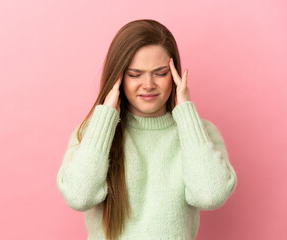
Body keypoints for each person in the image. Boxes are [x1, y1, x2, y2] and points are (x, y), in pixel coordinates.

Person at [56, 19, 237, 240]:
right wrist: (105, 116)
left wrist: (186, 114)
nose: (149, 84)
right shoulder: (93, 133)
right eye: (135, 74)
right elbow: (78, 197)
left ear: (175, 74)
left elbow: (210, 196)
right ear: (118, 77)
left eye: (160, 73)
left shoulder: (200, 132)